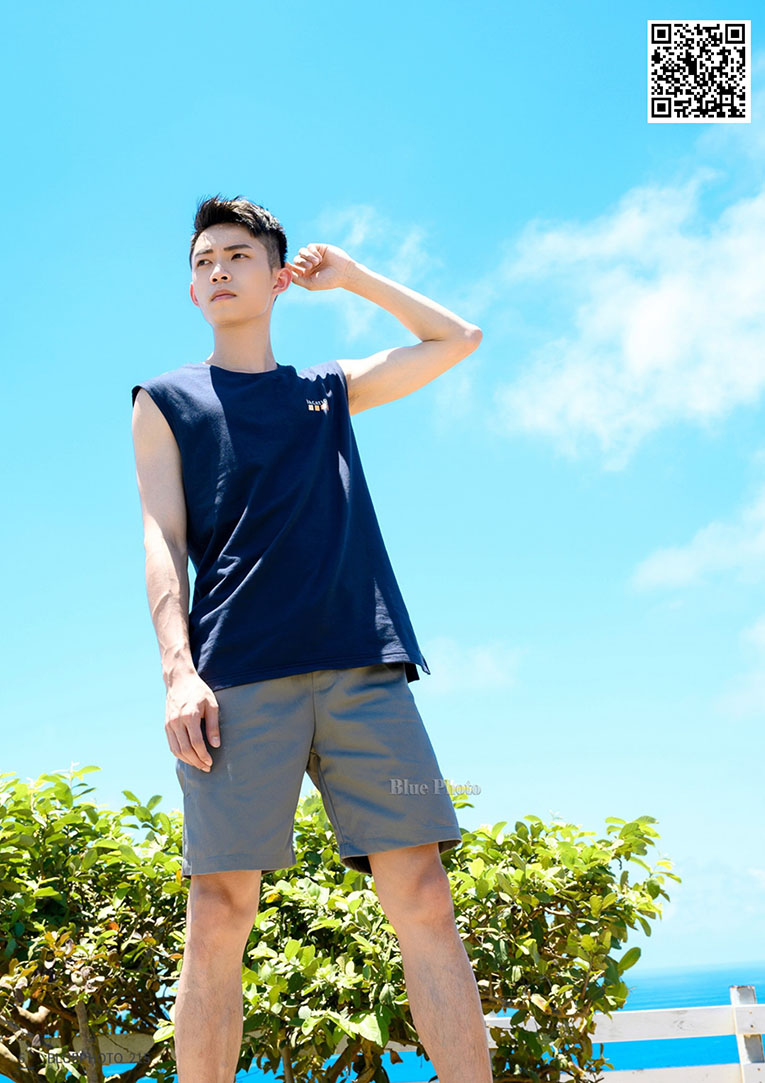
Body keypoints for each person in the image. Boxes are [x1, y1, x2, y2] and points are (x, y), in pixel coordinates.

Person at [130, 194, 492, 1083]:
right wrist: (178, 672)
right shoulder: (165, 400)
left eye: (237, 256)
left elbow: (457, 338)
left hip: (363, 668)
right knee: (219, 911)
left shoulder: (326, 390)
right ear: (191, 289)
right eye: (204, 260)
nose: (218, 270)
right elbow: (160, 540)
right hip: (236, 679)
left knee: (423, 896)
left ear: (277, 277)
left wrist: (357, 277)